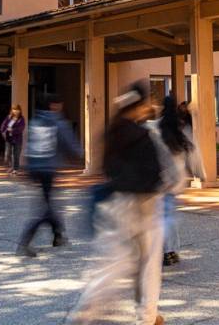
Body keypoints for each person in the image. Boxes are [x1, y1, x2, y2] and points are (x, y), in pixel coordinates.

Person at [70, 81, 166, 325]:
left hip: (116, 204)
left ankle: (83, 312)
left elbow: (106, 168)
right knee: (150, 266)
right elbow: (154, 173)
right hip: (144, 206)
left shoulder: (112, 132)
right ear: (141, 104)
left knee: (114, 265)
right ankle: (147, 317)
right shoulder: (143, 135)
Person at [17, 93, 82, 257]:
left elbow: (28, 146)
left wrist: (25, 168)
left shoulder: (34, 122)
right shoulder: (58, 123)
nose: (60, 107)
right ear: (53, 106)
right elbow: (70, 145)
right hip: (48, 170)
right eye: (58, 104)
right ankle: (25, 242)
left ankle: (58, 235)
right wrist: (80, 153)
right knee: (46, 209)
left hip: (35, 169)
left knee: (49, 204)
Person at [157, 95, 205, 266]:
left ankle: (161, 249)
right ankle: (170, 251)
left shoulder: (156, 128)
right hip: (175, 180)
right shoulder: (180, 128)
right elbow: (193, 151)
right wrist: (200, 172)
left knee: (159, 216)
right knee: (169, 216)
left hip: (158, 179)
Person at [0, 104, 26, 176]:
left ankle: (15, 169)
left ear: (20, 110)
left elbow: (21, 128)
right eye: (14, 109)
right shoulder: (9, 117)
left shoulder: (21, 119)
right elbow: (3, 125)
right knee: (7, 154)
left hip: (17, 140)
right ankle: (11, 166)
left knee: (16, 155)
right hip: (9, 139)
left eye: (17, 110)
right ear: (12, 110)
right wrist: (3, 131)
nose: (16, 111)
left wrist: (12, 130)